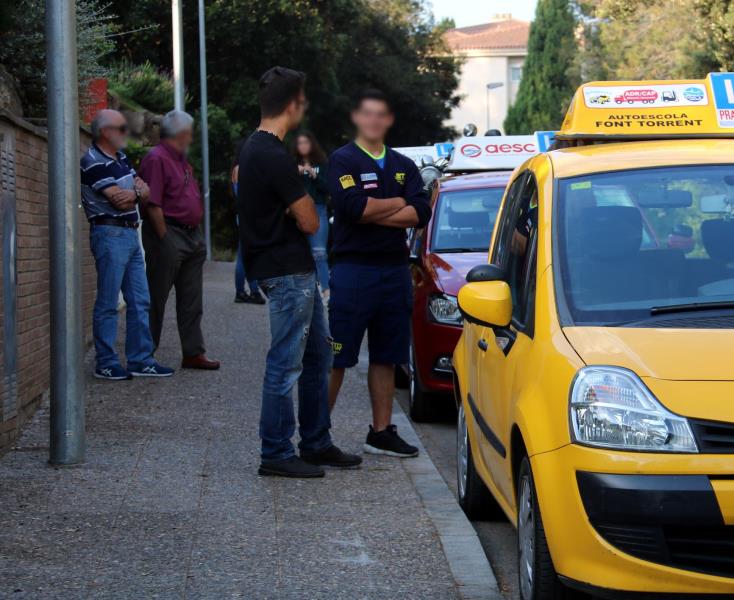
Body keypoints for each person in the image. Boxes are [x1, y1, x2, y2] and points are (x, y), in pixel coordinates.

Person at [238, 66, 361, 478]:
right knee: (286, 363)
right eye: (303, 101)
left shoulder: (255, 149)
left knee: (317, 356)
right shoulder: (272, 155)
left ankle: (316, 443)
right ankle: (275, 451)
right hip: (287, 272)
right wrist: (299, 212)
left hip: (291, 270)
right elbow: (310, 222)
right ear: (293, 105)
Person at [327, 89, 431, 458]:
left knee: (387, 355)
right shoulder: (342, 160)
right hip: (354, 271)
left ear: (388, 121)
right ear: (357, 118)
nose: (374, 121)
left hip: (393, 272)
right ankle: (317, 435)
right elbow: (353, 208)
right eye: (367, 114)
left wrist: (379, 210)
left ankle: (381, 431)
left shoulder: (404, 164)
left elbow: (421, 213)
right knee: (337, 355)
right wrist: (399, 202)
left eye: (380, 115)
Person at [80, 109, 174, 380]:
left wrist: (135, 193)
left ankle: (140, 359)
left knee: (140, 300)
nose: (126, 133)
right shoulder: (92, 161)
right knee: (109, 302)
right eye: (121, 128)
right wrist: (137, 192)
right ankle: (106, 363)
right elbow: (122, 198)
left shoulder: (120, 159)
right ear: (105, 132)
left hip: (130, 234)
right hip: (109, 234)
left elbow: (143, 193)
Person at [138, 110, 220, 370]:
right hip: (170, 234)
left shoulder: (181, 160)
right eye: (191, 132)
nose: (192, 137)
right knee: (155, 297)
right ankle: (144, 354)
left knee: (192, 300)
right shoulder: (157, 158)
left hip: (191, 235)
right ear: (182, 133)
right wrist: (165, 239)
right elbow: (153, 204)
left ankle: (193, 351)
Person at [293, 131, 330, 297]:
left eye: (306, 143)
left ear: (312, 144)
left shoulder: (322, 163)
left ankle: (326, 290)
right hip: (298, 212)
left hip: (319, 209)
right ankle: (304, 290)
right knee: (300, 252)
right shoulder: (292, 164)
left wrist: (314, 175)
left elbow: (328, 188)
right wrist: (295, 173)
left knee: (319, 252)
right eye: (300, 143)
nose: (303, 146)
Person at [230, 142, 265, 304]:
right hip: (247, 217)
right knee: (246, 256)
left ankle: (247, 291)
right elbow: (244, 196)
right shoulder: (240, 169)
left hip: (249, 216)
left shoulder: (242, 168)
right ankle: (249, 291)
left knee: (246, 255)